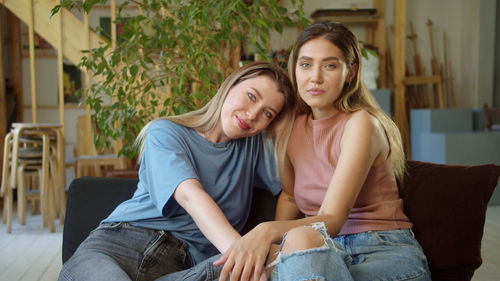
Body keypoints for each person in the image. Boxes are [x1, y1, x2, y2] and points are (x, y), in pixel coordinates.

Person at [208, 21, 431, 281]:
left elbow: (333, 219)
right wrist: (277, 250)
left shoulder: (361, 124)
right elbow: (290, 196)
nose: (315, 77)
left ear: (350, 72)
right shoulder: (290, 127)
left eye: (330, 65)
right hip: (319, 250)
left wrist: (266, 231)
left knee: (300, 241)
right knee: (282, 253)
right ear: (295, 69)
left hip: (381, 249)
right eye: (305, 64)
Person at [58, 61, 296, 281]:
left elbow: (293, 192)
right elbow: (190, 197)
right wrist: (242, 254)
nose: (253, 114)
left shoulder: (254, 149)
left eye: (268, 113)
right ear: (230, 85)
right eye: (251, 96)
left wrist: (284, 128)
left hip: (187, 269)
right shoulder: (165, 133)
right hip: (118, 248)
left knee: (261, 267)